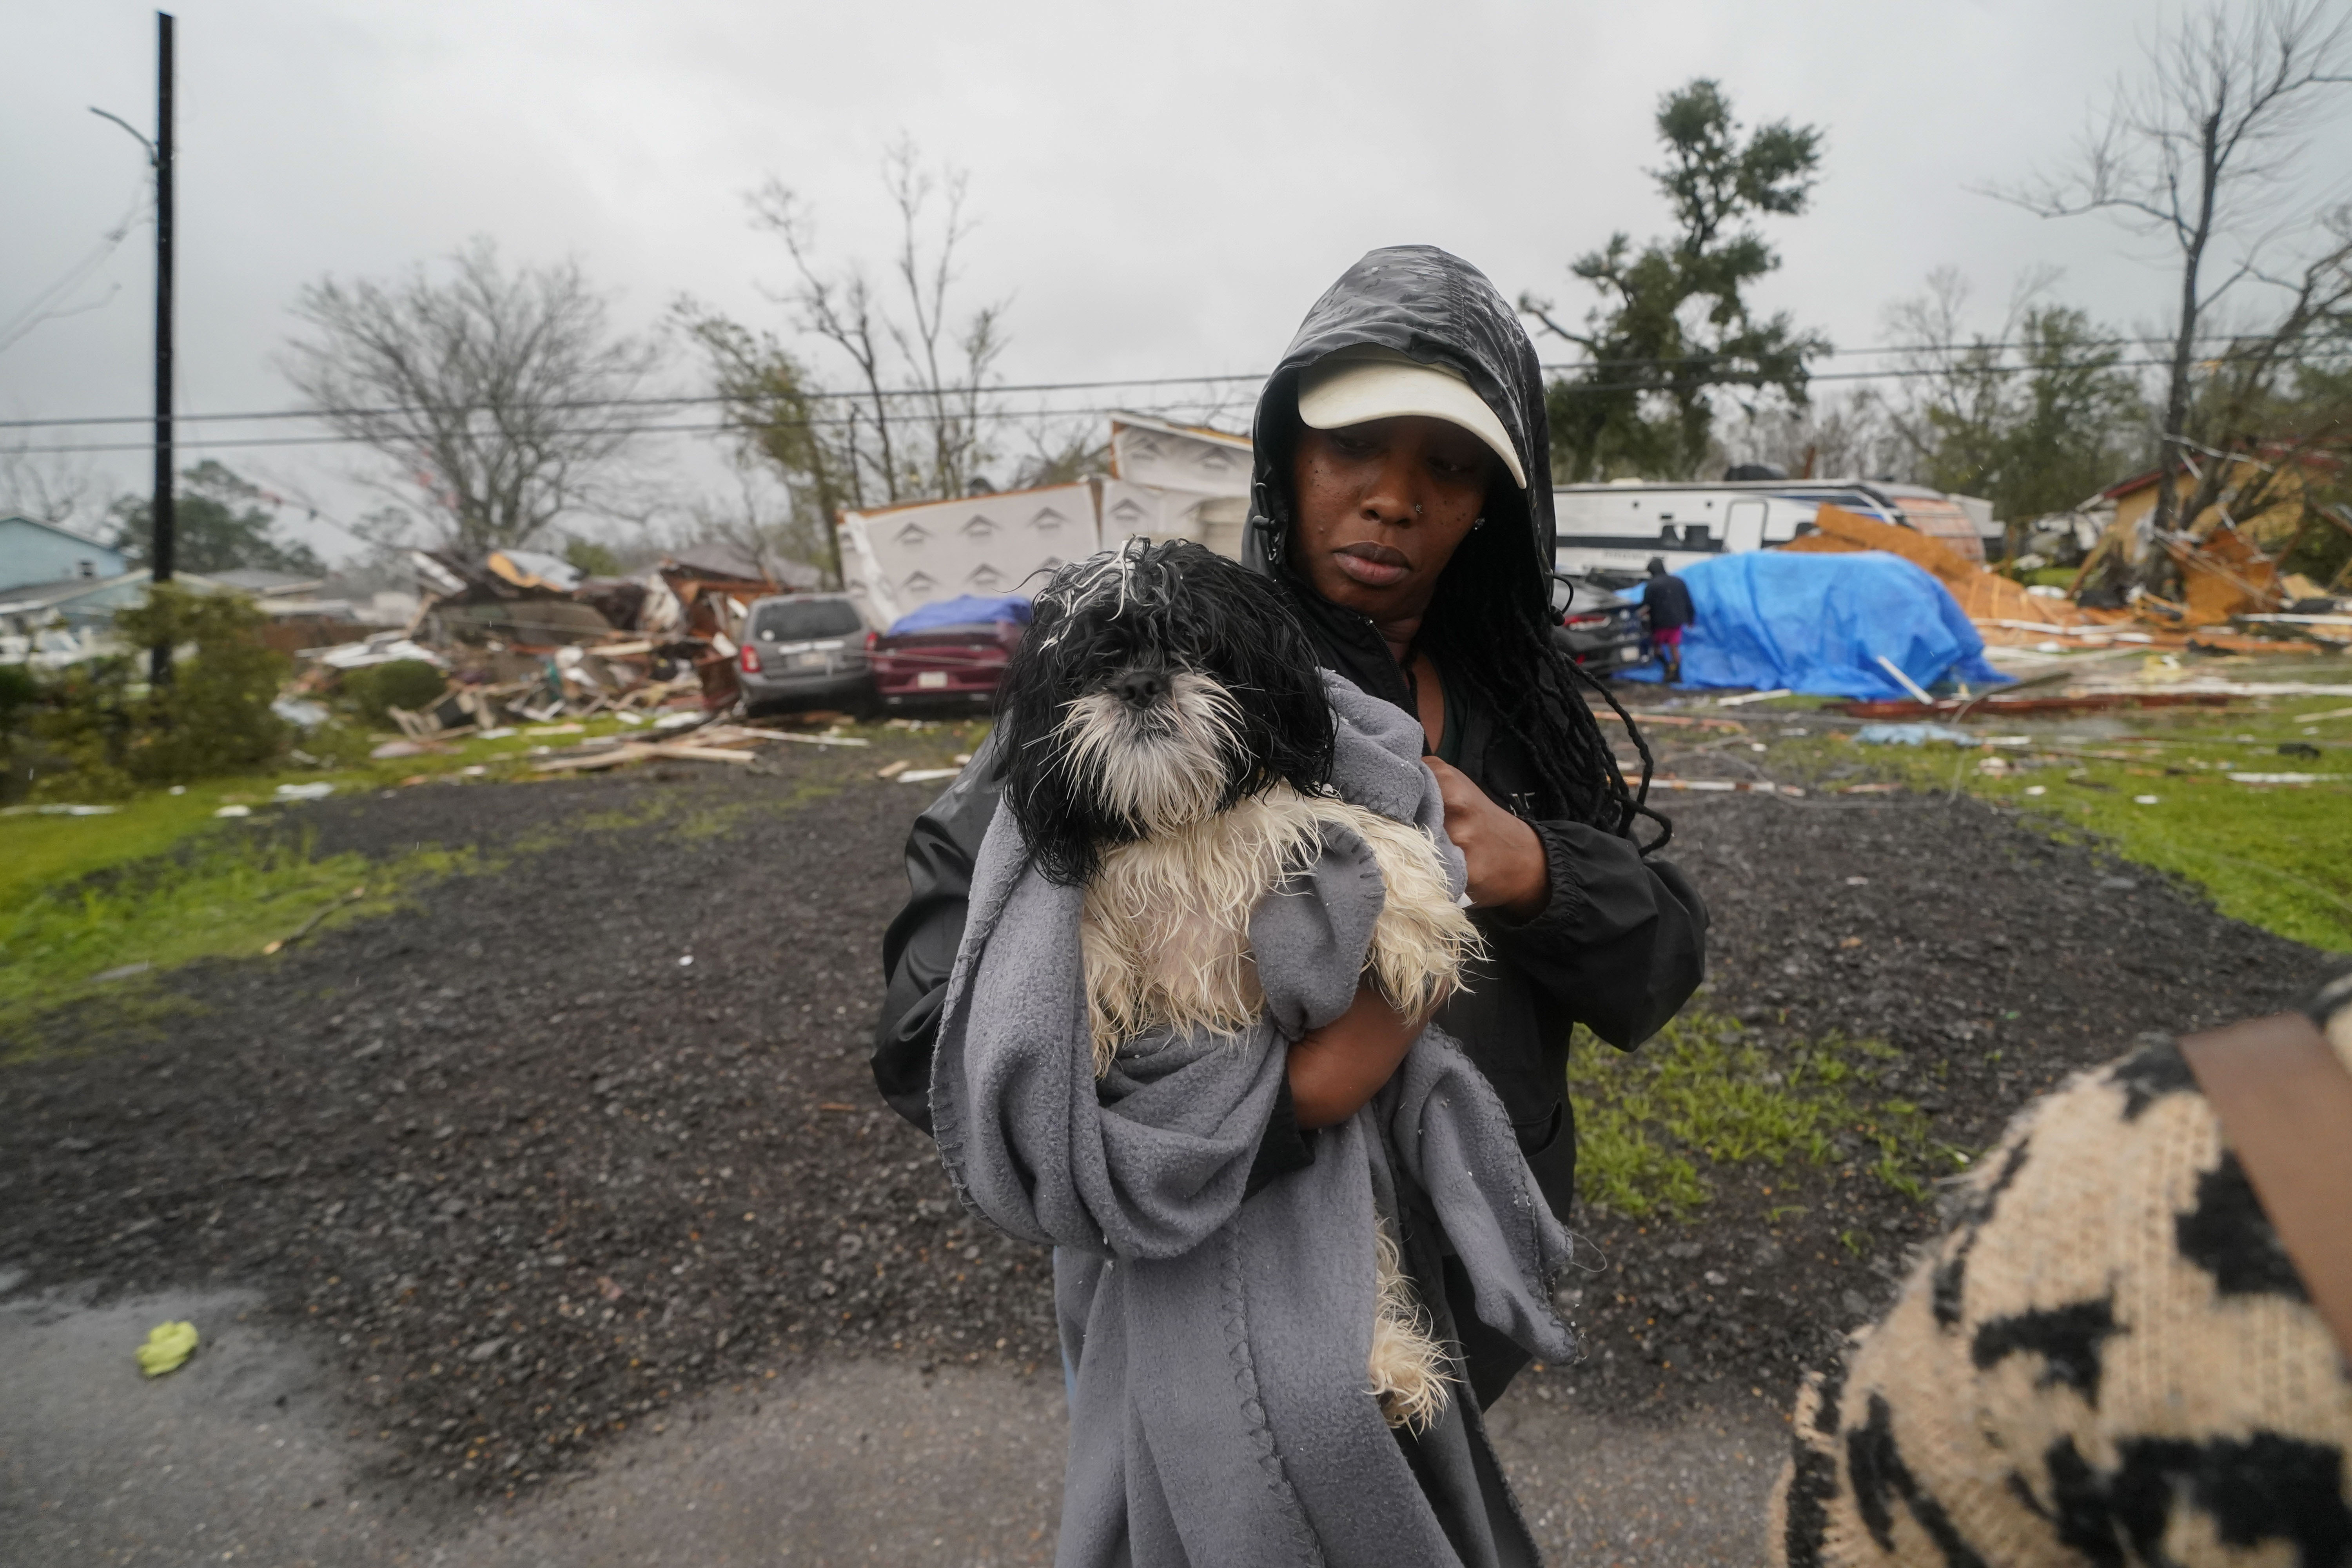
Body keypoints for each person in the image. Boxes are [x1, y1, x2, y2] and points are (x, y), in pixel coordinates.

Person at [877, 243, 1706, 1399]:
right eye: (1353, 444)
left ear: (1493, 505)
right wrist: (1293, 1101)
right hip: (1217, 1307)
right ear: (1284, 454)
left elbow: (1658, 964)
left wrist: (1537, 871)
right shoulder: (1141, 669)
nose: (1395, 497)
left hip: (1470, 1277)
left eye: (1450, 464)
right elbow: (939, 1032)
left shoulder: (1518, 704)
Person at [1642, 556, 1695, 685]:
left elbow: (1646, 605)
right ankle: (1677, 675)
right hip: (1676, 622)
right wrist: (1691, 619)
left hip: (1659, 624)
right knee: (1674, 648)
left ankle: (1667, 668)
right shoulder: (1678, 581)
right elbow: (1688, 600)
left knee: (1657, 648)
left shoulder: (1651, 585)